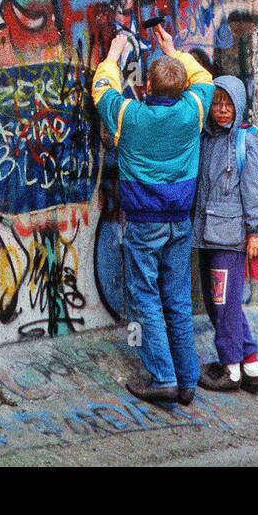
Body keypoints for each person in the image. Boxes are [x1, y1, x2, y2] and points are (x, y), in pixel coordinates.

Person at [90, 26, 215, 407]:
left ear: (146, 87)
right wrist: (173, 51)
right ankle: (187, 379)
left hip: (144, 221)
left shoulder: (129, 116)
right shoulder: (193, 110)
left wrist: (112, 55)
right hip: (180, 219)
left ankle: (163, 377)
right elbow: (204, 78)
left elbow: (102, 90)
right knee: (177, 298)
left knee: (145, 295)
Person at [192, 75, 258, 393]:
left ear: (239, 106)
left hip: (230, 239)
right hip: (207, 235)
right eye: (217, 103)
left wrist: (257, 232)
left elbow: (256, 190)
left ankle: (231, 371)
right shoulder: (207, 140)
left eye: (228, 104)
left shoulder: (244, 141)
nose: (222, 110)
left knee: (223, 305)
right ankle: (250, 366)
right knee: (221, 305)